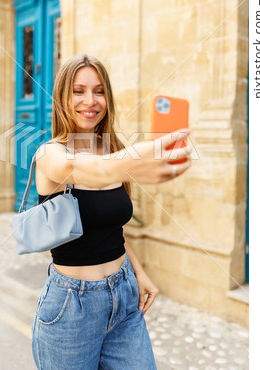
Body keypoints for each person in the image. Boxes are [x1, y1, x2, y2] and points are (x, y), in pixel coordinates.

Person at [31, 54, 192, 369]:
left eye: (99, 91)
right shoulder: (50, 153)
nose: (90, 101)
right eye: (78, 91)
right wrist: (132, 162)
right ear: (62, 97)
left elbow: (111, 229)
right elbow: (81, 168)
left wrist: (139, 273)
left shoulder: (110, 150)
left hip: (124, 296)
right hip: (70, 307)